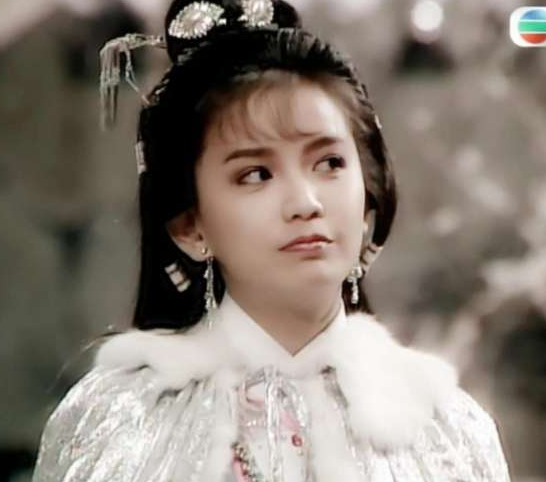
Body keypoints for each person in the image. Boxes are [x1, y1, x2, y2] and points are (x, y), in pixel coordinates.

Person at [31, 0, 513, 481]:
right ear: (190, 226)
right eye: (256, 174)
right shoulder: (121, 422)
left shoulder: (447, 428)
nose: (306, 202)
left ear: (368, 193)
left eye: (329, 164)